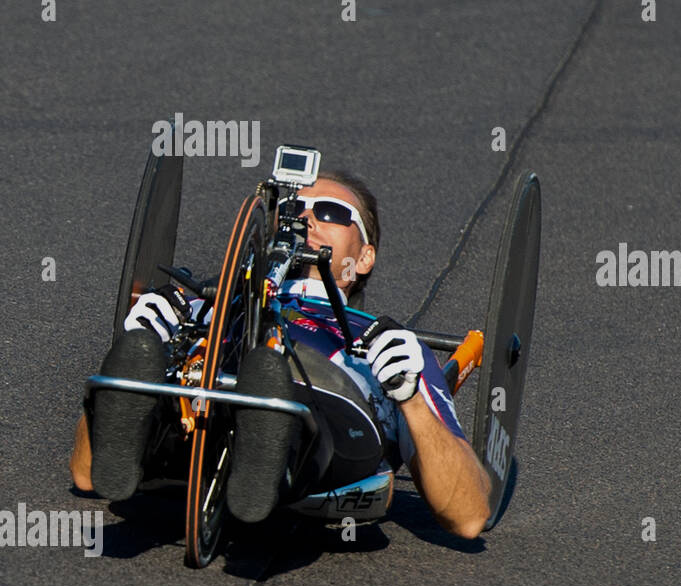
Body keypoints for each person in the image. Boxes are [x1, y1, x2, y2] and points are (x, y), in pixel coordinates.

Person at [69, 170, 493, 539]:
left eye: (330, 212)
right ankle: (181, 412)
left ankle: (271, 428)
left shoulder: (388, 342)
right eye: (293, 207)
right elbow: (84, 475)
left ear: (364, 258)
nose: (305, 218)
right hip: (199, 408)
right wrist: (143, 340)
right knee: (145, 352)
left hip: (328, 431)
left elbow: (469, 516)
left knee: (290, 370)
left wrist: (411, 396)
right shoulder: (203, 308)